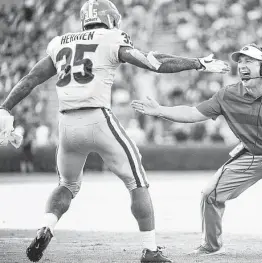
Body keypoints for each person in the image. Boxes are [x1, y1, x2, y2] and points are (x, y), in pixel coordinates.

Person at [0, 0, 230, 262]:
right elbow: (153, 63)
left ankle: (46, 227)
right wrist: (197, 63)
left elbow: (30, 78)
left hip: (66, 125)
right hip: (98, 119)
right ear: (110, 19)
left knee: (66, 185)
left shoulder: (60, 42)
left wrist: (5, 108)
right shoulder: (110, 37)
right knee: (137, 183)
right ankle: (150, 250)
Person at [131, 44, 262, 259]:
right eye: (240, 61)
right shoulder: (228, 95)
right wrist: (160, 110)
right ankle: (212, 245)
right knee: (209, 194)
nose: (242, 65)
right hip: (250, 153)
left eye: (249, 61)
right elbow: (193, 113)